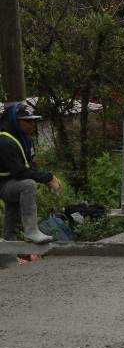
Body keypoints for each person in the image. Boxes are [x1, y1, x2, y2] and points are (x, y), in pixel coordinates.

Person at [0, 102, 61, 243]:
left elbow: (29, 168)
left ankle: (7, 255)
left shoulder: (23, 139)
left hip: (9, 182)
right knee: (27, 185)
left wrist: (46, 177)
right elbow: (20, 174)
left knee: (13, 206)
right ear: (16, 121)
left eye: (33, 121)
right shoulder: (5, 141)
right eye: (28, 121)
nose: (31, 125)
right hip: (3, 183)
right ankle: (31, 231)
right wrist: (47, 178)